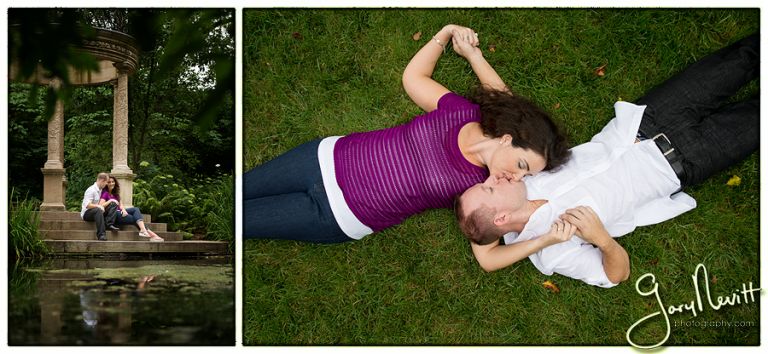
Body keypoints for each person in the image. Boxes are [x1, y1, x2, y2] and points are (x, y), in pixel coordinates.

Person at [456, 33, 758, 288]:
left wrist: (473, 55)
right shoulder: (552, 252)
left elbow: (511, 106)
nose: (492, 177)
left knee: (741, 58)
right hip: (688, 159)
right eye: (490, 188)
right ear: (501, 220)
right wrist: (603, 239)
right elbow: (617, 275)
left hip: (645, 119)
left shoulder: (521, 172)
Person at [244, 24, 571, 243]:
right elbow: (415, 77)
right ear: (508, 137)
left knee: (239, 220)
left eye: (525, 176)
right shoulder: (461, 113)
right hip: (319, 160)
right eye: (522, 166)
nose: (516, 178)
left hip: (337, 215)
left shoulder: (478, 187)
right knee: (237, 189)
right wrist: (450, 38)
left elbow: (488, 239)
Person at [100, 174, 164, 242]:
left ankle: (143, 230)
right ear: (106, 184)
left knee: (136, 209)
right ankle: (152, 235)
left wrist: (124, 210)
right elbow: (100, 205)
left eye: (113, 181)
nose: (111, 183)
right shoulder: (105, 193)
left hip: (120, 212)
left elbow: (121, 205)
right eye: (109, 182)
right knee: (134, 218)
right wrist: (110, 200)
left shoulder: (116, 194)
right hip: (114, 215)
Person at [81, 172, 118, 241]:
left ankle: (108, 224)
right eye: (106, 182)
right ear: (102, 181)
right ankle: (101, 235)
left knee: (113, 203)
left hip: (98, 212)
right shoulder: (91, 190)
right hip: (87, 214)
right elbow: (87, 205)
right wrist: (98, 206)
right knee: (98, 210)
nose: (107, 184)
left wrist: (111, 201)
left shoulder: (101, 190)